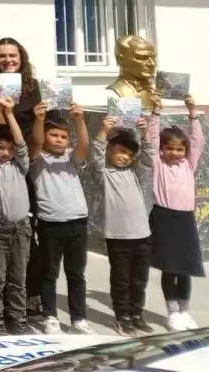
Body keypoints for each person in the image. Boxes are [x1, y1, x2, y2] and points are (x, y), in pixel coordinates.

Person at [28, 101, 91, 334]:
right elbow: (34, 142)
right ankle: (50, 316)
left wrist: (79, 120)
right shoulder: (37, 159)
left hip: (77, 223)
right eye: (53, 135)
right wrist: (40, 119)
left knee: (76, 274)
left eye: (63, 136)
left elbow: (84, 145)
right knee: (49, 273)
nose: (58, 140)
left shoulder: (71, 158)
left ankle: (78, 319)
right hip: (50, 225)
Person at [147, 94, 204, 331]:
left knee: (186, 267)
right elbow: (150, 140)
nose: (175, 153)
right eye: (169, 148)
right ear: (162, 150)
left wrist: (192, 113)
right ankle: (172, 312)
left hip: (185, 219)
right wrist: (156, 113)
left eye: (179, 149)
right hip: (164, 218)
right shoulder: (158, 163)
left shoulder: (189, 164)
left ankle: (184, 310)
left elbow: (197, 140)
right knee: (169, 267)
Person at [92, 112, 153, 334]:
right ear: (110, 149)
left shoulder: (135, 173)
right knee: (121, 281)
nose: (124, 157)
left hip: (143, 236)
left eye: (129, 154)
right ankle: (122, 317)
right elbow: (96, 155)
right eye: (120, 151)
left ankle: (136, 314)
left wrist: (145, 131)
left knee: (139, 280)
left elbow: (148, 156)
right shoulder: (103, 173)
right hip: (118, 237)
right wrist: (104, 132)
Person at [0, 97, 31, 335]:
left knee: (19, 278)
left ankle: (17, 317)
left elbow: (22, 144)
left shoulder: (20, 165)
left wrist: (10, 114)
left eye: (8, 149)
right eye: (0, 149)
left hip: (21, 228)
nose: (4, 153)